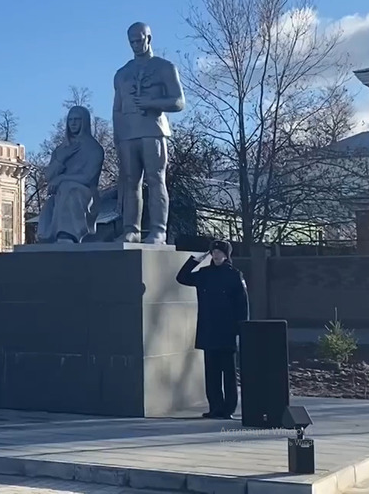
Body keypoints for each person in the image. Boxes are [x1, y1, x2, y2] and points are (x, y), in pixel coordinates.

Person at [112, 22, 185, 244]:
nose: (135, 45)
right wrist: (117, 136)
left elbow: (179, 102)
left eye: (139, 40)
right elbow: (117, 108)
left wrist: (153, 102)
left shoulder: (165, 67)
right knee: (130, 181)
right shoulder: (122, 73)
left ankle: (158, 231)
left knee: (156, 180)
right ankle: (131, 229)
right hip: (127, 134)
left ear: (148, 38)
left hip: (154, 131)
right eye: (131, 41)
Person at [176, 240, 249, 419]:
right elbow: (182, 278)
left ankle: (228, 408)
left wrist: (241, 329)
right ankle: (215, 407)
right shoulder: (204, 273)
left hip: (227, 331)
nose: (216, 255)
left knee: (229, 374)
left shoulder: (234, 275)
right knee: (212, 373)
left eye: (219, 252)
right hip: (209, 330)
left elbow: (242, 305)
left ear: (226, 255)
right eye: (214, 251)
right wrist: (194, 260)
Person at [36, 105, 104, 243]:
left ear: (84, 122)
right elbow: (48, 177)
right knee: (55, 199)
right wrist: (62, 158)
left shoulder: (94, 148)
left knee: (69, 189)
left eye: (77, 119)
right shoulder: (61, 149)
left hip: (84, 195)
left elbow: (88, 178)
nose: (73, 123)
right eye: (70, 119)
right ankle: (51, 236)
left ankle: (68, 234)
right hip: (60, 195)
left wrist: (62, 178)